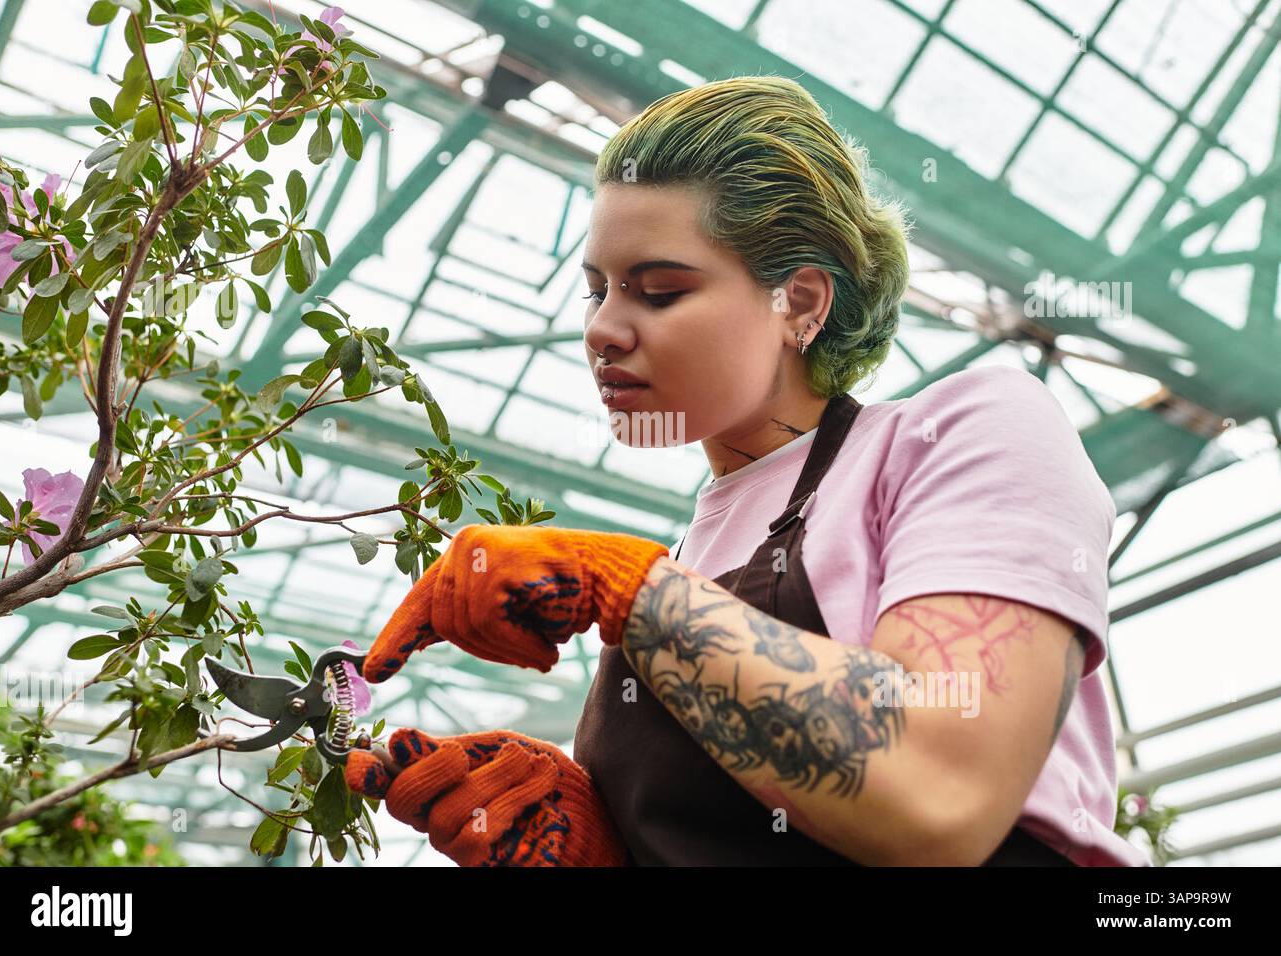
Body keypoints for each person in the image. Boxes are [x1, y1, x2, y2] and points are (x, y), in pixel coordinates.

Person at [344, 75, 1150, 867]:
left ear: (800, 304)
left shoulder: (960, 434)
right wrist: (594, 840)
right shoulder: (691, 555)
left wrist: (629, 590)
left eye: (658, 291)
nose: (602, 330)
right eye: (596, 291)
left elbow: (942, 794)